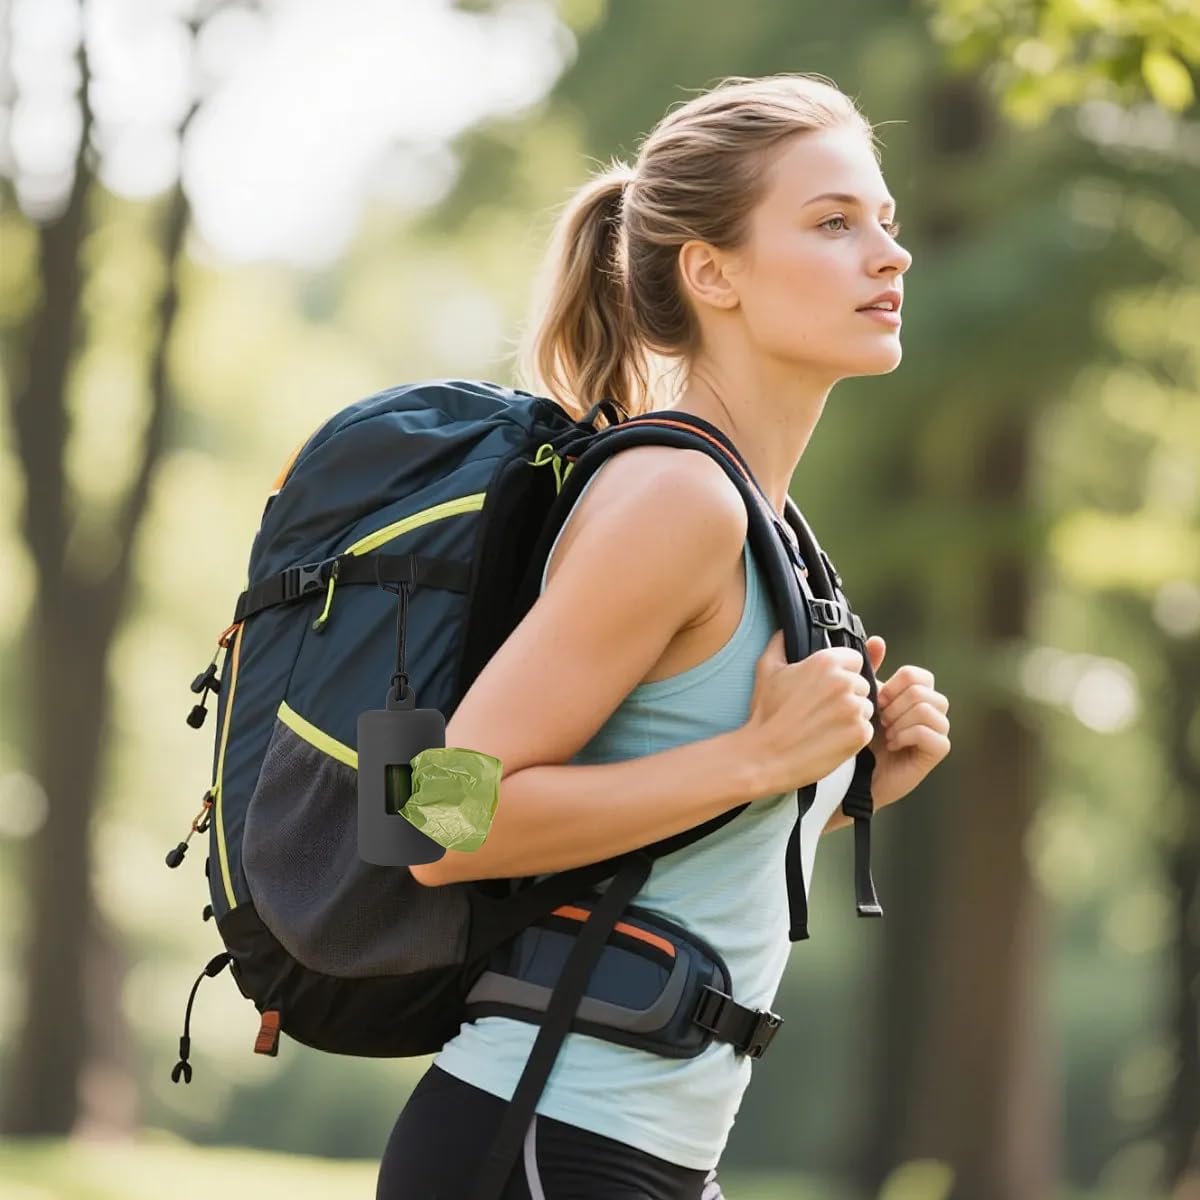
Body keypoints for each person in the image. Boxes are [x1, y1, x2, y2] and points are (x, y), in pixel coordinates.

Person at [376, 72, 951, 1199]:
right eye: (834, 223)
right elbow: (434, 819)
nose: (891, 255)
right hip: (538, 1141)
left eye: (884, 221)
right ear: (712, 272)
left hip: (637, 1156)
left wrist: (844, 787)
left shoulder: (769, 526)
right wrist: (760, 759)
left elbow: (664, 844)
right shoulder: (679, 501)